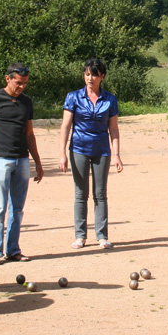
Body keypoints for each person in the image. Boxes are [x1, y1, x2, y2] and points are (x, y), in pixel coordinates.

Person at [0, 63, 44, 265]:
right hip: (1, 159)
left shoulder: (26, 102)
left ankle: (13, 250)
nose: (21, 87)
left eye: (25, 83)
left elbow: (29, 134)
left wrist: (37, 162)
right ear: (8, 79)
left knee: (17, 208)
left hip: (22, 159)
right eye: (18, 83)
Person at [59, 58, 123, 250]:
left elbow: (114, 129)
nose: (90, 78)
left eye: (94, 75)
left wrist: (116, 154)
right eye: (87, 74)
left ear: (102, 76)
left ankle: (102, 236)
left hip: (102, 150)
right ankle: (80, 236)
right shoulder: (73, 97)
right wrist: (62, 153)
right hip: (78, 148)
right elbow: (65, 126)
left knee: (100, 194)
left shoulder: (110, 99)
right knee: (81, 194)